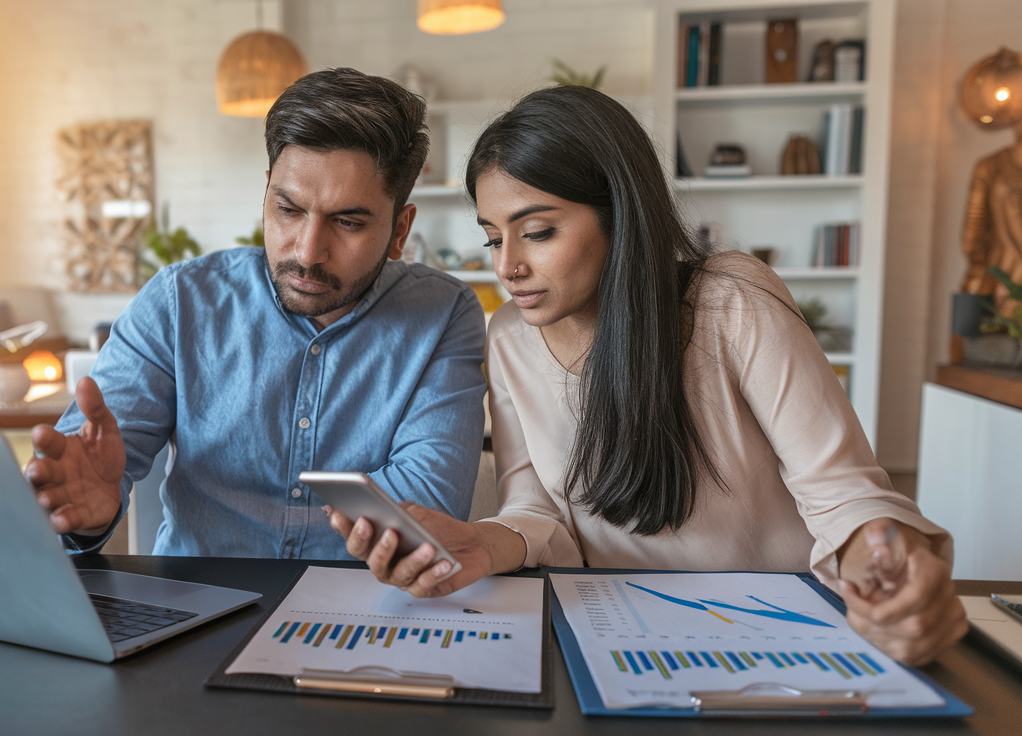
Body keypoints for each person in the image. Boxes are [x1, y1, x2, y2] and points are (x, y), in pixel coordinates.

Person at [328, 85, 968, 665]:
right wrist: (479, 542)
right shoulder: (510, 339)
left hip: (784, 632)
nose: (509, 266)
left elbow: (843, 493)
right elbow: (538, 511)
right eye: (494, 238)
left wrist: (885, 560)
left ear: (620, 215)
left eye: (539, 231)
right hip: (621, 638)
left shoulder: (729, 300)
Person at [25, 68, 486, 558]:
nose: (308, 252)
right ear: (266, 193)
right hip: (197, 604)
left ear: (400, 229)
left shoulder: (444, 314)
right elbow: (88, 470)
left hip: (360, 608)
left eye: (348, 222)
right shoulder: (179, 301)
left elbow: (430, 505)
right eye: (288, 210)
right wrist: (84, 515)